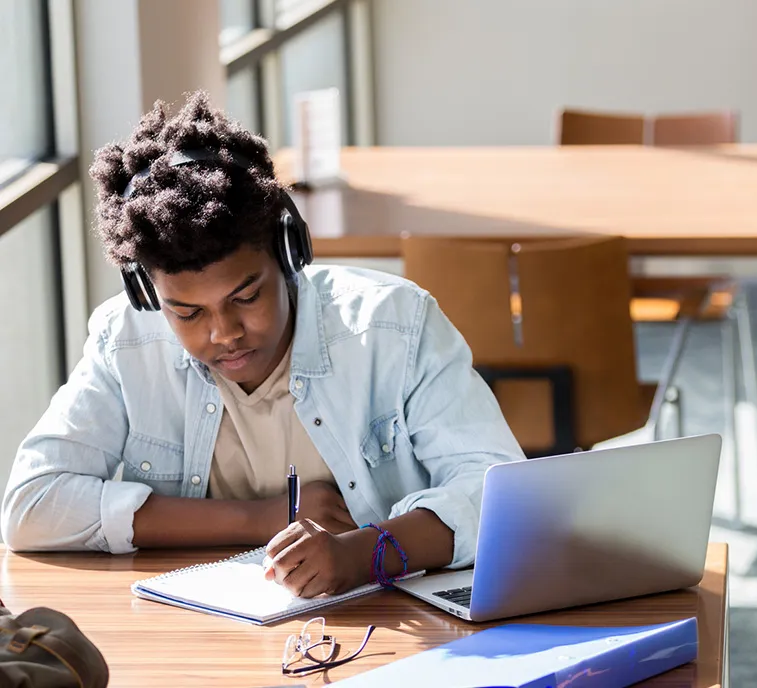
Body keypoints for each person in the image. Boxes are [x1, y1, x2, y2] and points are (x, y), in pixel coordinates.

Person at [0, 91, 524, 598]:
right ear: (147, 293)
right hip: (204, 637)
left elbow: (498, 495)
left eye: (247, 296)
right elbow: (32, 505)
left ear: (289, 252)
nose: (224, 333)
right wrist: (260, 518)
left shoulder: (395, 325)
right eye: (187, 313)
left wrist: (362, 555)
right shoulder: (126, 341)